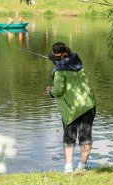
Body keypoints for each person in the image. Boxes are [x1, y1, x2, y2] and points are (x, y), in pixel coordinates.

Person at [46, 42, 96, 174]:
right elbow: (67, 65)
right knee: (86, 136)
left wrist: (50, 92)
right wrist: (58, 63)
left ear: (59, 57)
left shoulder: (59, 72)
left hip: (71, 108)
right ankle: (82, 166)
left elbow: (58, 90)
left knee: (69, 136)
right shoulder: (77, 61)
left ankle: (68, 168)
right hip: (88, 104)